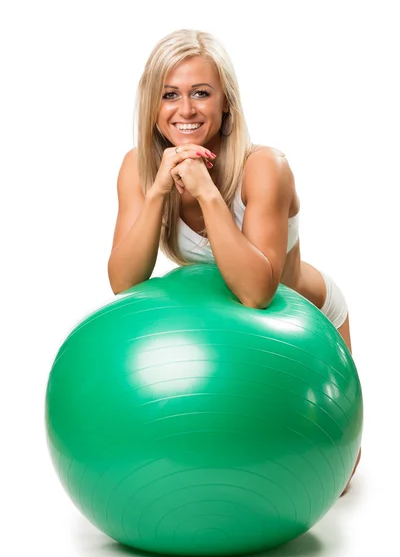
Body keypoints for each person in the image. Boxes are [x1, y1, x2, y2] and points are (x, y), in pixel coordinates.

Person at [107, 29, 361, 495]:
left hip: (305, 320)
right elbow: (125, 282)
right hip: (230, 339)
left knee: (332, 476)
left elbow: (256, 293)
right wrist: (161, 187)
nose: (185, 110)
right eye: (170, 95)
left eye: (201, 93)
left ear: (226, 104)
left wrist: (205, 191)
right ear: (152, 106)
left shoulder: (265, 167)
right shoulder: (138, 167)